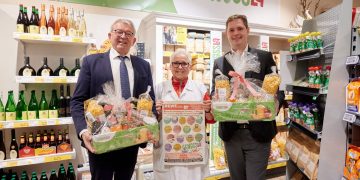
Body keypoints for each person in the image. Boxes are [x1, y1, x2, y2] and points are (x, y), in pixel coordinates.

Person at [70, 19, 155, 180]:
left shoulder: (143, 66)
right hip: (101, 140)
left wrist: (152, 125)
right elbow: (76, 101)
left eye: (128, 33)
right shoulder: (91, 62)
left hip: (131, 139)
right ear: (110, 35)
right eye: (119, 32)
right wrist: (83, 131)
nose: (123, 36)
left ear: (134, 40)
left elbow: (150, 102)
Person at [211, 14, 278, 180]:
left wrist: (274, 104)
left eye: (240, 28)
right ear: (226, 33)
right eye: (231, 30)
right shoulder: (220, 63)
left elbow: (278, 90)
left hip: (258, 133)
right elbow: (215, 92)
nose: (236, 33)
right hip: (231, 134)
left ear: (248, 30)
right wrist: (214, 101)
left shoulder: (263, 57)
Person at [154, 48, 215, 180]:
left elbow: (211, 119)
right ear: (170, 66)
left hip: (193, 150)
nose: (180, 67)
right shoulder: (159, 88)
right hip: (168, 150)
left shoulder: (200, 88)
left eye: (184, 63)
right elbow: (152, 121)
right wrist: (158, 113)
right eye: (176, 63)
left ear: (190, 67)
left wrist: (208, 110)